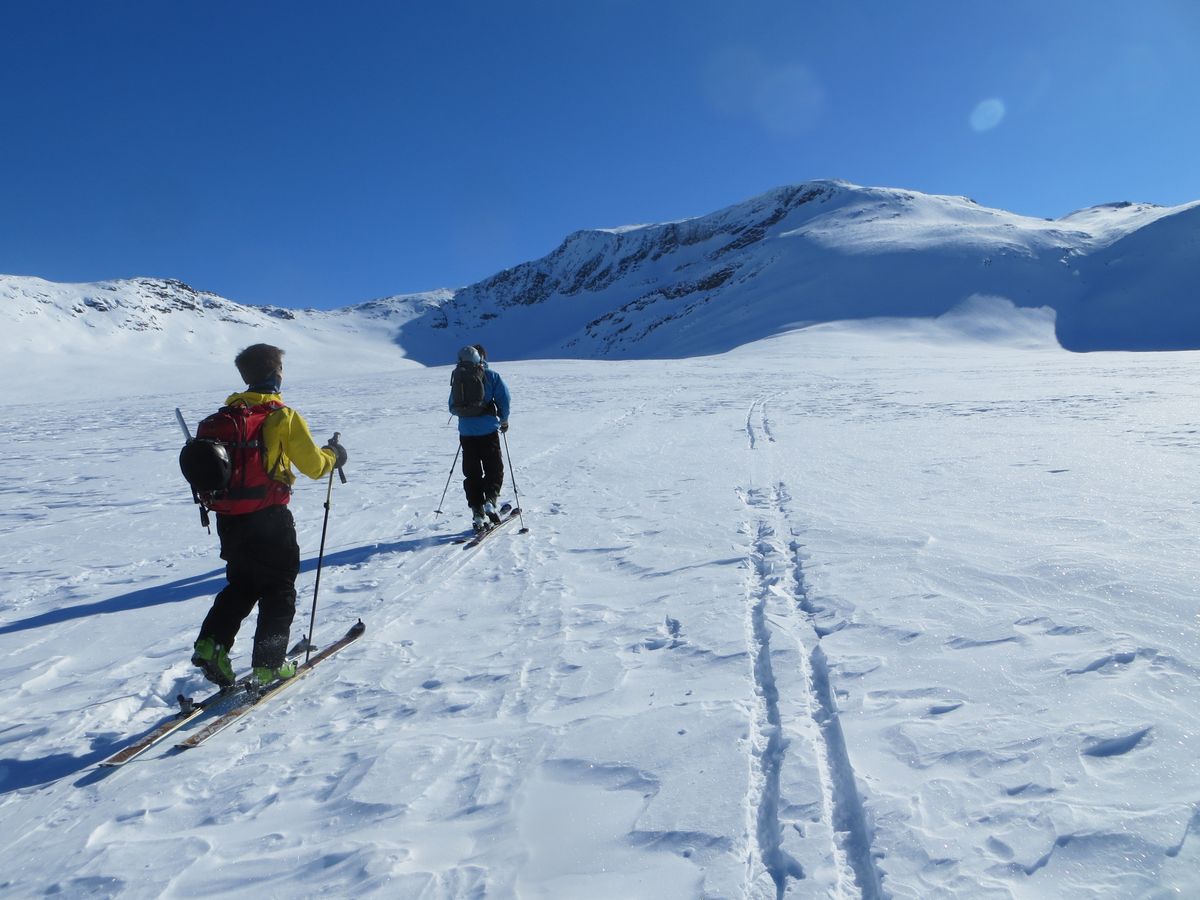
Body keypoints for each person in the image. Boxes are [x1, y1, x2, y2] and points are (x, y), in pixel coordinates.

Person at [191, 343, 348, 687]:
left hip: (228, 518)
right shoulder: (282, 416)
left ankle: (210, 644)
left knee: (242, 584)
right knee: (278, 588)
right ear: (276, 373)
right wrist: (334, 455)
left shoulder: (222, 419)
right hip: (270, 518)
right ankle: (268, 664)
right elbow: (314, 466)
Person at [449, 343, 511, 531]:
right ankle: (490, 501)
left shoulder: (458, 378)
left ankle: (477, 511)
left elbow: (452, 406)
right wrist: (504, 420)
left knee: (472, 473)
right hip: (488, 432)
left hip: (466, 434)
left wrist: (467, 416)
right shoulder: (491, 376)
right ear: (481, 359)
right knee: (494, 468)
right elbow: (504, 399)